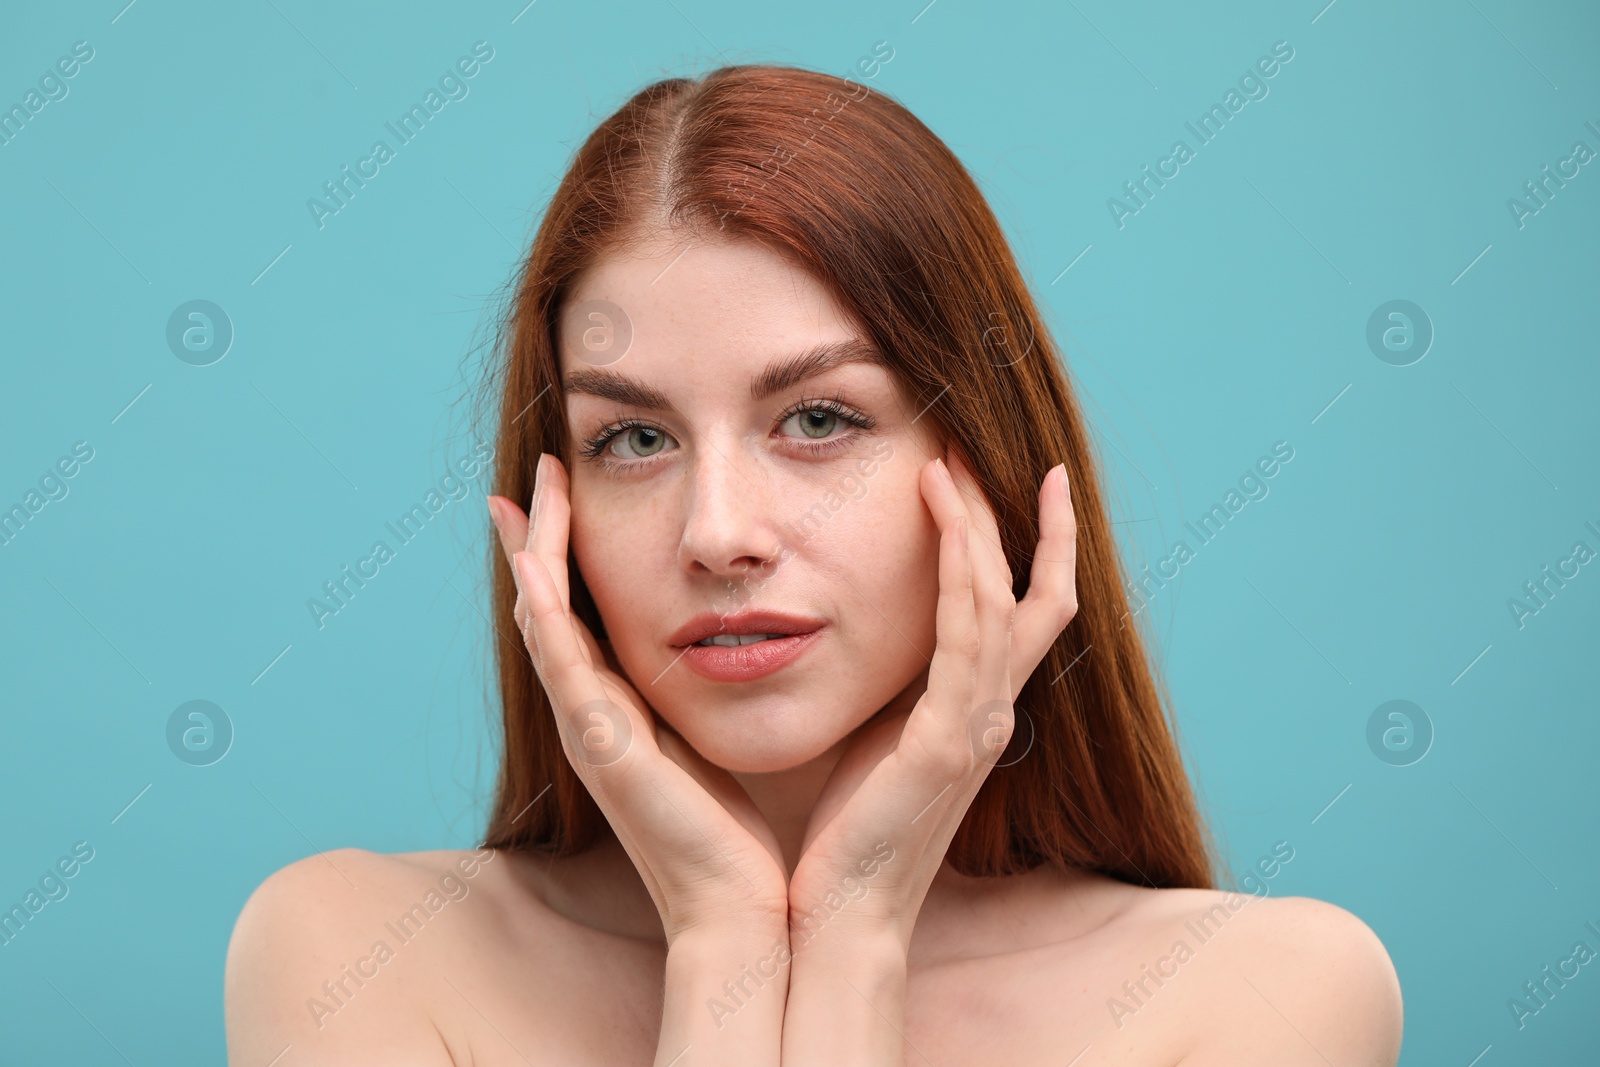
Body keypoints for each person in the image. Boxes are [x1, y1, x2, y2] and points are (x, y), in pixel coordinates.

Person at [225, 63, 1402, 1065]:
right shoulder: (350, 954)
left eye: (819, 419)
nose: (718, 532)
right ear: (554, 504)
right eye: (634, 439)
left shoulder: (1261, 991)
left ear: (983, 463)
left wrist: (850, 938)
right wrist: (726, 938)